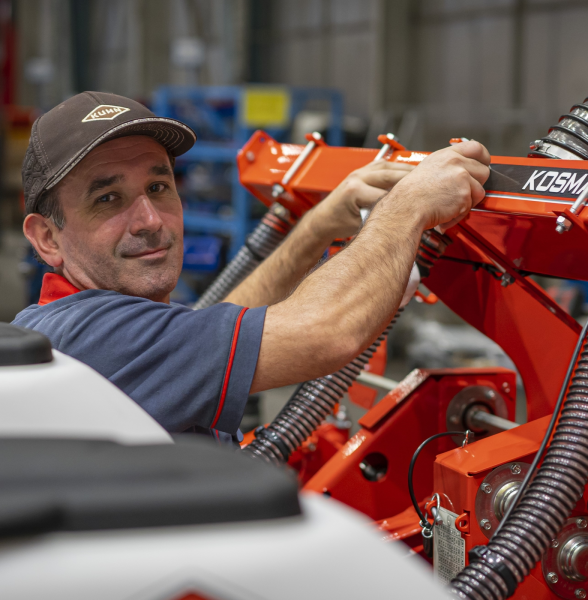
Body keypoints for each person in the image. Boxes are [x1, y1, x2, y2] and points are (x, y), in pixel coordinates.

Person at [13, 92, 490, 444]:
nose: (150, 221)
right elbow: (326, 333)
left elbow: (214, 332)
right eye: (108, 199)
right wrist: (408, 208)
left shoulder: (59, 322)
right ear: (48, 238)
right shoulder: (95, 339)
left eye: (158, 187)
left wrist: (317, 226)